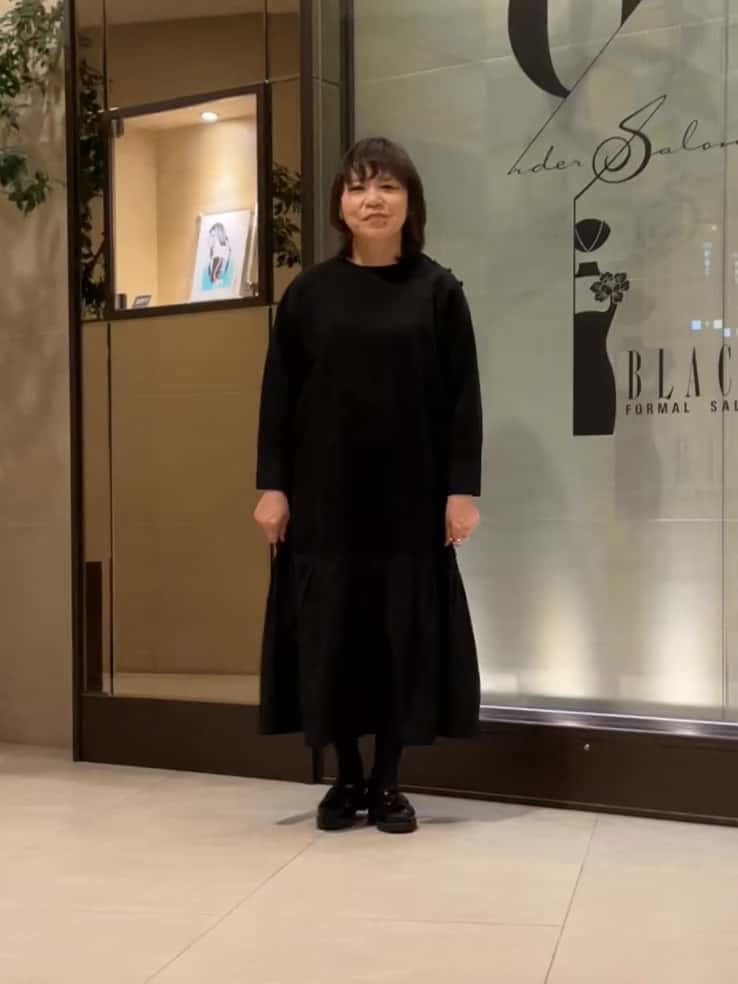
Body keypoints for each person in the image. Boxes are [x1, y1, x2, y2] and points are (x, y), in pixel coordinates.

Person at [254, 136, 483, 835]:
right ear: (340, 204)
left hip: (410, 499)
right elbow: (278, 398)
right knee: (332, 632)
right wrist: (272, 487)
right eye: (357, 187)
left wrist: (461, 491)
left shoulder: (438, 291)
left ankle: (388, 781)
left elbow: (463, 400)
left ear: (410, 202)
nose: (372, 200)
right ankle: (346, 776)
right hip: (324, 498)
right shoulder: (308, 294)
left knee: (398, 635)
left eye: (387, 186)